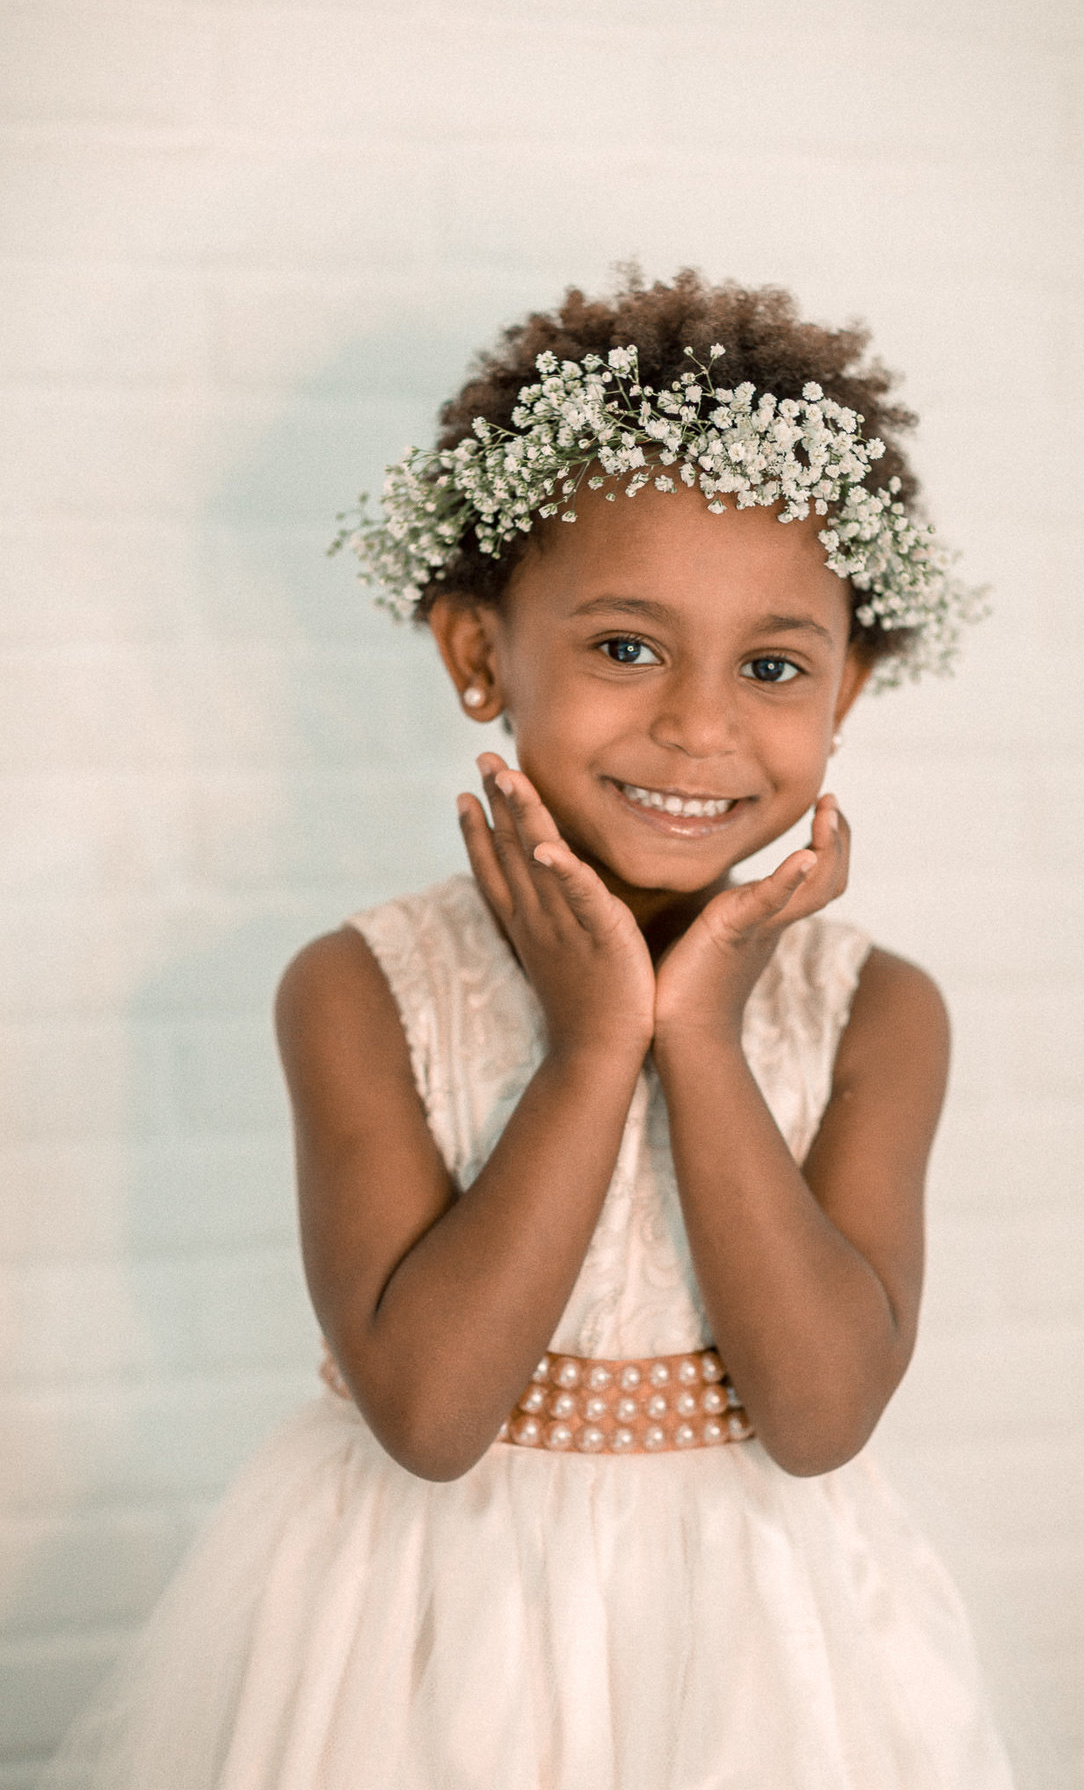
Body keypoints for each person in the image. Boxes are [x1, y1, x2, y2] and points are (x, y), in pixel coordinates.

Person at [40, 269, 1016, 1788]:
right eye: (627, 646)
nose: (700, 724)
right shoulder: (359, 990)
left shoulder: (879, 1013)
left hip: (766, 1644)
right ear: (478, 654)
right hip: (426, 1641)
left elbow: (821, 1417)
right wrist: (591, 1046)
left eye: (773, 667)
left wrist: (701, 1038)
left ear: (849, 689)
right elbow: (433, 1417)